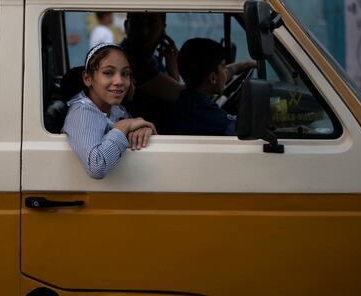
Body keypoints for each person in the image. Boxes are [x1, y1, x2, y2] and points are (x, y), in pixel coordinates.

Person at [62, 43, 156, 179]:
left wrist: (140, 130)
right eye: (108, 73)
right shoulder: (82, 112)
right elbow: (96, 166)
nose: (119, 81)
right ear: (88, 78)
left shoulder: (116, 109)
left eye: (125, 74)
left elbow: (131, 129)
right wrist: (123, 127)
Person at [167, 38, 255, 136]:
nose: (226, 71)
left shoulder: (188, 100)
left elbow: (226, 72)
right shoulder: (204, 112)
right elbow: (246, 131)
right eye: (223, 66)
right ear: (213, 78)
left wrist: (242, 66)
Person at [120, 12, 184, 125]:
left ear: (163, 31)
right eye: (137, 24)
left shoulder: (152, 60)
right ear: (126, 27)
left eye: (151, 24)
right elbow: (180, 96)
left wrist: (172, 67)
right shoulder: (127, 59)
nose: (144, 32)